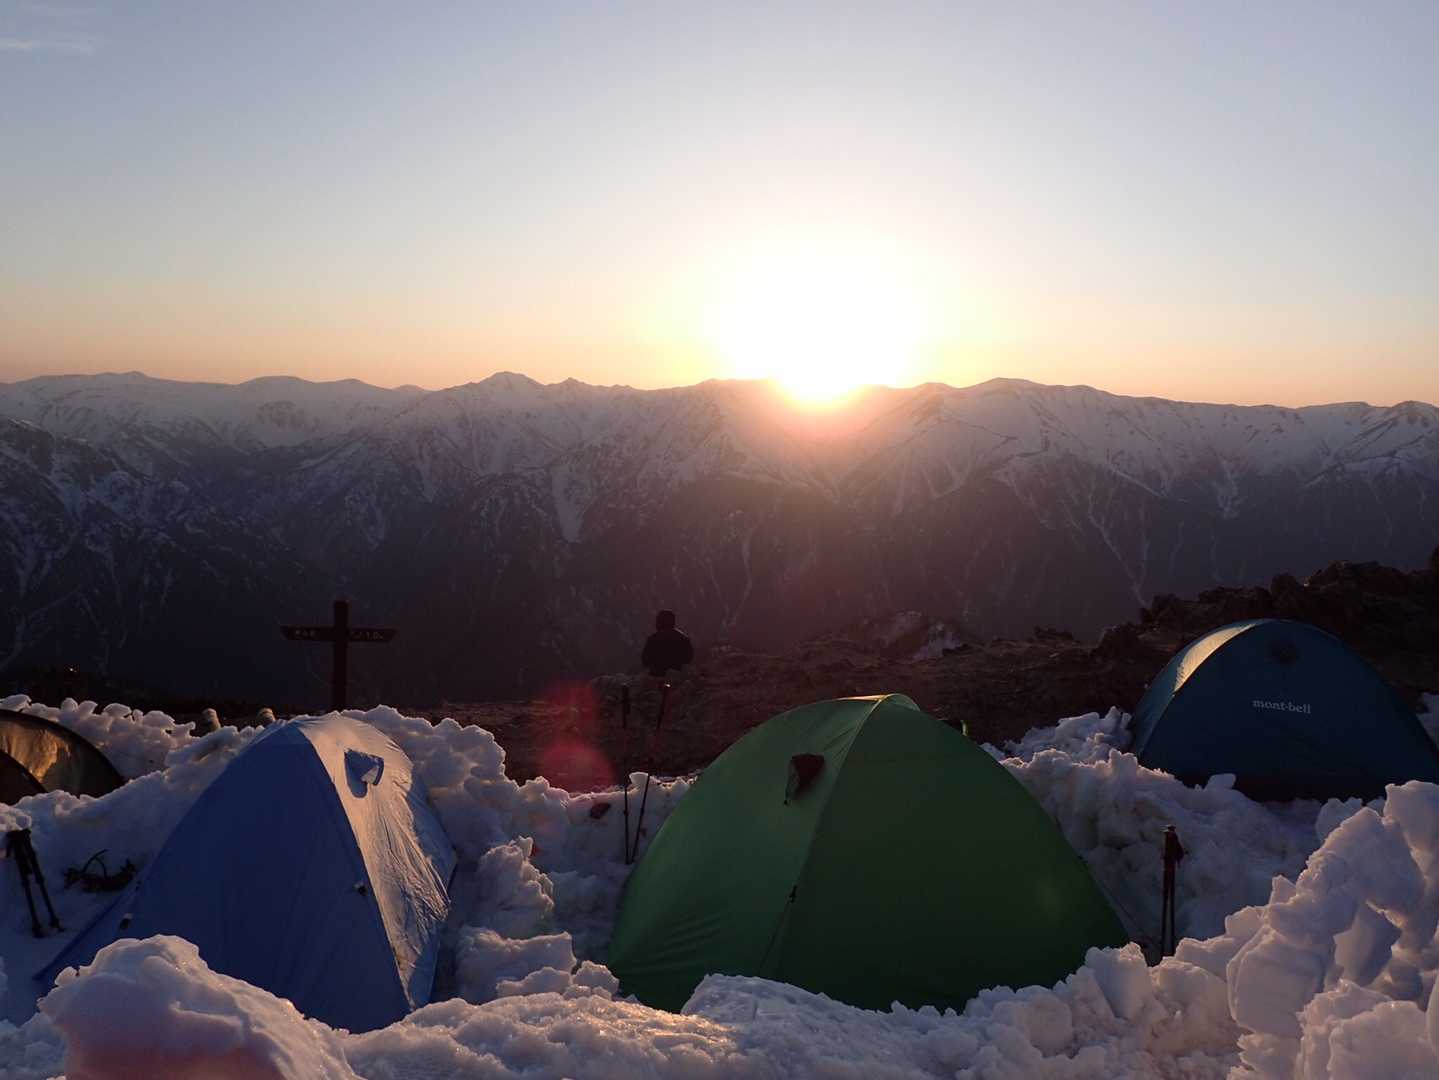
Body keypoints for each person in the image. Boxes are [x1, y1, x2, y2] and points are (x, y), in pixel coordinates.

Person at [641, 610, 693, 678]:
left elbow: (645, 660)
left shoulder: (653, 639)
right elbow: (689, 657)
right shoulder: (682, 638)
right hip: (677, 676)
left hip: (657, 676)